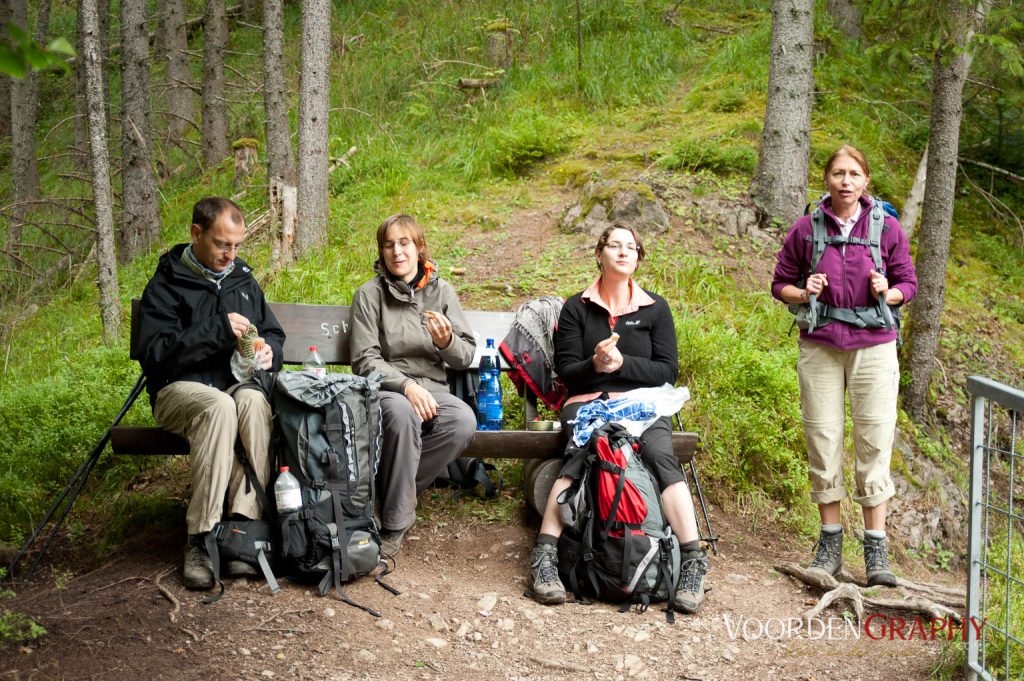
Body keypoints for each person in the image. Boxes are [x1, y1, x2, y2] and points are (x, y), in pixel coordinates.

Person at [527, 223, 710, 614]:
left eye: (631, 247)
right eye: (615, 245)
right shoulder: (577, 307)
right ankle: (544, 559)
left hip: (644, 404)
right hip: (589, 400)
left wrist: (624, 362)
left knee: (662, 457)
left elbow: (667, 371)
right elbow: (567, 371)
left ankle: (694, 561)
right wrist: (596, 363)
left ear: (638, 258)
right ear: (600, 254)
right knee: (579, 455)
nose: (623, 252)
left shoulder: (655, 308)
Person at [771, 144, 917, 587]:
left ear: (866, 180)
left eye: (854, 173)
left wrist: (887, 291)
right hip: (820, 345)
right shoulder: (806, 228)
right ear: (827, 179)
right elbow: (780, 283)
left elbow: (908, 283)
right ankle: (830, 545)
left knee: (874, 440)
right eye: (838, 173)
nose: (846, 181)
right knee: (823, 439)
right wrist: (804, 289)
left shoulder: (886, 228)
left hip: (874, 344)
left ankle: (876, 552)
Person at [136, 197, 285, 590]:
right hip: (179, 392)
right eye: (222, 244)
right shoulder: (167, 282)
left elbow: (272, 334)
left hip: (234, 387)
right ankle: (200, 537)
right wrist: (216, 329)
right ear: (196, 233)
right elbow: (155, 356)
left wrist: (271, 351)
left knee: (253, 401)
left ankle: (244, 532)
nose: (230, 254)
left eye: (236, 246)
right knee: (219, 406)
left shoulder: (242, 280)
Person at [350, 214, 477, 557]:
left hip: (434, 391)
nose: (396, 252)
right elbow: (364, 360)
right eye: (389, 245)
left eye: (404, 243)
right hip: (387, 390)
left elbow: (464, 357)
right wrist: (405, 386)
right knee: (403, 413)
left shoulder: (442, 292)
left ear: (419, 248)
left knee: (462, 421)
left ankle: (383, 495)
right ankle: (395, 524)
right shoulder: (369, 295)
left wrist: (447, 340)